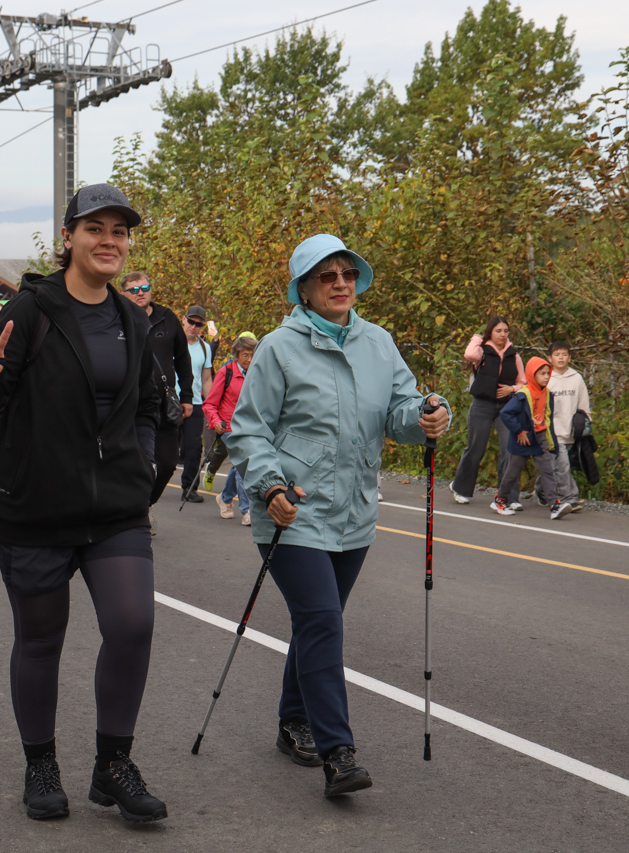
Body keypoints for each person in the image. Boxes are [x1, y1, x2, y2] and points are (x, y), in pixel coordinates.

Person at [0, 183, 168, 823]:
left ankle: (113, 763)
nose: (110, 242)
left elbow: (151, 406)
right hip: (36, 505)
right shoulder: (32, 308)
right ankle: (40, 764)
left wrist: (147, 463)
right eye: (96, 229)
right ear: (69, 237)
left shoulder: (134, 319)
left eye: (120, 232)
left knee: (133, 625)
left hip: (113, 509)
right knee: (41, 638)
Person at [227, 234, 449, 798]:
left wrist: (425, 415)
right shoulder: (278, 348)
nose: (341, 283)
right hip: (292, 510)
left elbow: (398, 409)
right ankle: (338, 752)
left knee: (315, 622)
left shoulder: (378, 342)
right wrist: (269, 483)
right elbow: (248, 428)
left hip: (355, 513)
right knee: (324, 619)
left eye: (348, 273)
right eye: (327, 276)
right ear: (304, 288)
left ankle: (292, 720)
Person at [121, 271, 192, 535]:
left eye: (145, 287)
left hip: (165, 405)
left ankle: (144, 505)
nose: (141, 292)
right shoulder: (117, 318)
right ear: (123, 294)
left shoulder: (167, 318)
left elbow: (183, 361)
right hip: (131, 405)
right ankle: (131, 511)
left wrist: (187, 397)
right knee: (131, 461)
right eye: (134, 289)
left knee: (167, 462)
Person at [449, 317, 524, 506]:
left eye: (506, 331)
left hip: (506, 407)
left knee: (509, 449)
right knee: (476, 447)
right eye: (498, 331)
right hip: (482, 405)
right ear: (490, 332)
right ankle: (461, 489)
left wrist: (511, 389)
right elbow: (469, 355)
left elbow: (523, 383)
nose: (503, 335)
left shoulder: (514, 355)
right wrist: (477, 338)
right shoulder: (482, 352)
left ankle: (508, 496)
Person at [497, 357, 574, 520]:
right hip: (522, 439)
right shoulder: (522, 395)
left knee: (548, 471)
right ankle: (500, 500)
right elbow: (506, 413)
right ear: (532, 374)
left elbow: (548, 417)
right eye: (542, 374)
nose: (546, 377)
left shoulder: (547, 393)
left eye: (548, 373)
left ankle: (554, 505)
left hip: (539, 438)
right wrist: (519, 432)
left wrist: (550, 439)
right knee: (512, 473)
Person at [203, 335, 257, 524]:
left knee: (241, 464)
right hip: (228, 427)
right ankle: (247, 510)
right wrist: (216, 422)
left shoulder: (257, 373)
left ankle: (225, 498)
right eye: (245, 355)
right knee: (243, 463)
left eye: (252, 355)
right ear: (236, 355)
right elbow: (209, 404)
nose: (249, 359)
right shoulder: (226, 372)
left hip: (250, 427)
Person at [544, 339, 590, 511]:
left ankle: (541, 491)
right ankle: (569, 497)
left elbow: (584, 404)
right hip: (553, 431)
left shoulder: (576, 378)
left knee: (553, 465)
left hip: (571, 429)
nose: (561, 358)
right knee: (562, 465)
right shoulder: (547, 378)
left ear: (569, 358)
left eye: (564, 354)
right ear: (550, 358)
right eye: (557, 355)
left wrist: (586, 423)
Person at [179, 305, 213, 502]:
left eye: (198, 323)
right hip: (171, 400)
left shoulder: (204, 347)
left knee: (194, 447)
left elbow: (206, 379)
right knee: (163, 449)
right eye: (190, 321)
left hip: (196, 402)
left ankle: (189, 487)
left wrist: (210, 407)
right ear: (183, 319)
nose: (193, 326)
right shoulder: (172, 341)